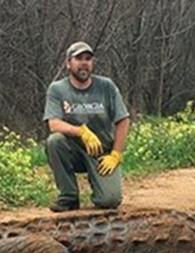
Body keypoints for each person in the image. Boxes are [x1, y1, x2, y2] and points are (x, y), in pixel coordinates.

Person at [42, 41, 130, 212]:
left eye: (88, 59)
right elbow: (53, 124)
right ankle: (68, 196)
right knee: (55, 141)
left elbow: (123, 120)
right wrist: (81, 131)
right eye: (79, 58)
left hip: (101, 153)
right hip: (73, 151)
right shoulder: (57, 89)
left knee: (109, 201)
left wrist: (116, 154)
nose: (84, 62)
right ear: (68, 63)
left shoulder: (106, 86)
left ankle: (101, 189)